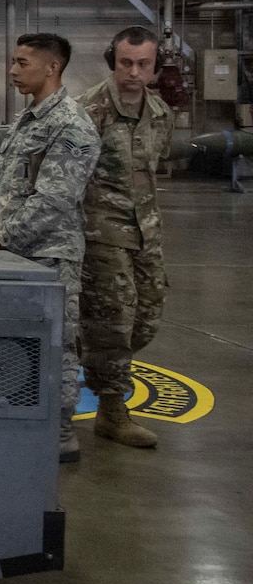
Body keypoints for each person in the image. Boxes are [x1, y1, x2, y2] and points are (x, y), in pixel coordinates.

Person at [0, 33, 101, 464]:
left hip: (50, 256)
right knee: (10, 339)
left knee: (56, 344)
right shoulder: (27, 119)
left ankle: (61, 432)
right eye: (12, 61)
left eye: (22, 62)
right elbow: (0, 178)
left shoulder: (71, 124)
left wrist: (3, 235)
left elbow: (56, 198)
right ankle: (14, 416)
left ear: (52, 67)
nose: (12, 70)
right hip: (12, 253)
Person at [78, 26, 173, 450]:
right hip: (102, 231)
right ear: (112, 61)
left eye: (143, 64)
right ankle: (112, 410)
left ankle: (89, 351)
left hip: (146, 231)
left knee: (147, 314)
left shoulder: (160, 113)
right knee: (114, 320)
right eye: (125, 63)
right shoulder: (89, 110)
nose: (133, 72)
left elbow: (152, 171)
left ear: (155, 68)